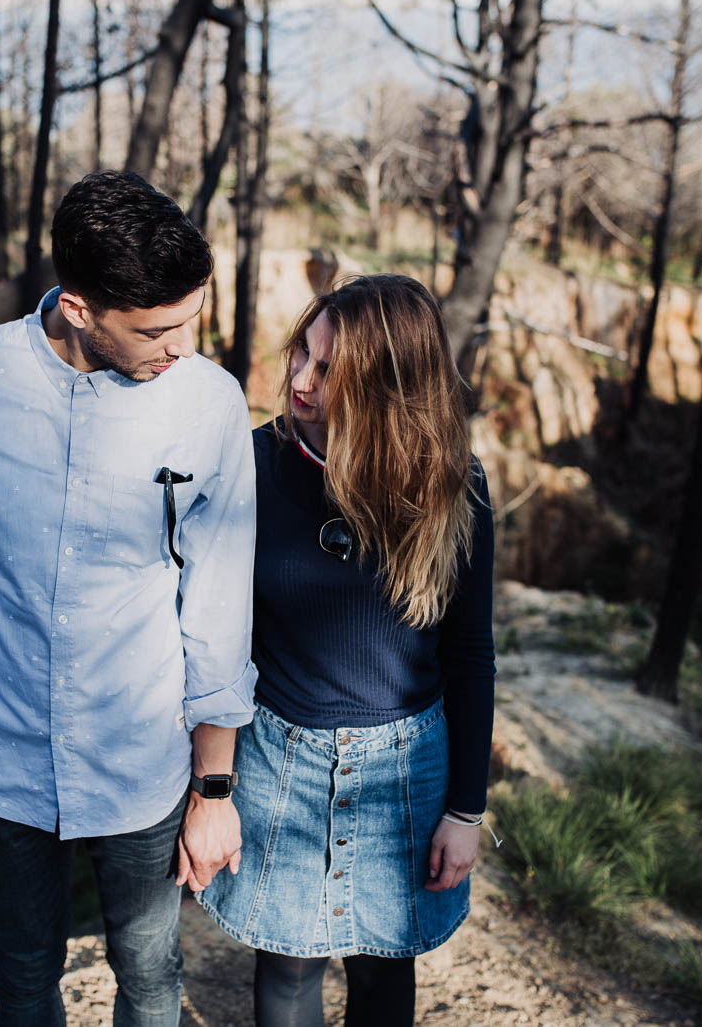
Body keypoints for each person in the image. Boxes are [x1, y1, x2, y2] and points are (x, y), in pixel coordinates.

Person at [0, 170, 257, 1027]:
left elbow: (219, 609)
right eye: (158, 328)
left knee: (151, 971)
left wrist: (216, 788)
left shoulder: (209, 402)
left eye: (193, 316)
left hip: (144, 760)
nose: (184, 346)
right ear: (80, 308)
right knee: (22, 968)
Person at [198, 274, 497, 1026]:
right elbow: (216, 635)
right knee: (288, 966)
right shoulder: (255, 465)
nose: (300, 378)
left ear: (388, 381)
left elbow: (469, 654)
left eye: (328, 369)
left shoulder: (452, 484)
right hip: (280, 755)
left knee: (384, 973)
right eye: (302, 351)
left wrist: (466, 808)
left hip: (405, 765)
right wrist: (213, 784)